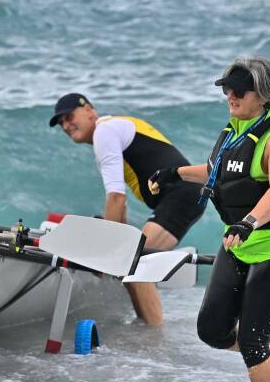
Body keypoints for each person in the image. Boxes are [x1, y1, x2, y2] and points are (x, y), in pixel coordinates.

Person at [148, 57, 270, 382]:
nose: (230, 96)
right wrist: (174, 173)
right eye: (226, 89)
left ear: (262, 95)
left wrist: (248, 222)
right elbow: (219, 171)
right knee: (212, 331)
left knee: (251, 341)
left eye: (239, 90)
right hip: (238, 244)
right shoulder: (236, 128)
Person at [50, 93, 206, 325]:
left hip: (181, 194)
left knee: (136, 265)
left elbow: (115, 197)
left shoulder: (105, 132)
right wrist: (116, 245)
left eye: (69, 116)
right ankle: (148, 326)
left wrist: (107, 252)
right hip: (187, 193)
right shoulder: (112, 130)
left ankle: (153, 337)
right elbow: (119, 206)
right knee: (132, 262)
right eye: (61, 122)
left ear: (90, 110)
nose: (65, 125)